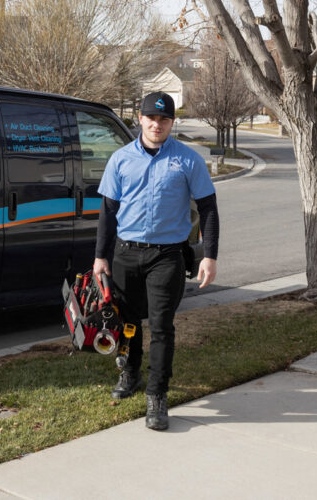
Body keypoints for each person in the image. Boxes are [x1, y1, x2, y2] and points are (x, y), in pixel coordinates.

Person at [93, 91, 220, 431]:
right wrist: (100, 257)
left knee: (162, 326)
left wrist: (210, 255)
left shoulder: (187, 160)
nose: (157, 124)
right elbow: (107, 212)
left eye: (164, 119)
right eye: (152, 118)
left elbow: (208, 208)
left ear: (171, 122)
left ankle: (157, 394)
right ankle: (130, 373)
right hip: (125, 253)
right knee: (128, 321)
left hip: (166, 256)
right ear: (140, 118)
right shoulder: (120, 159)